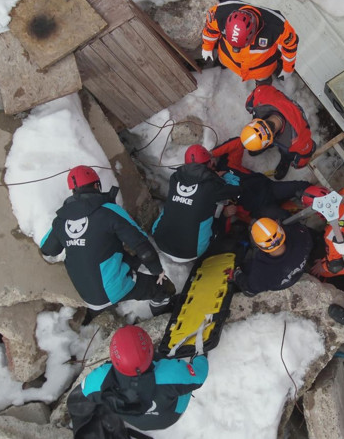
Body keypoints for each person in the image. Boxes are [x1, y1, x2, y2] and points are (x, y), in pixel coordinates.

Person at [40, 166, 172, 315]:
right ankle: (163, 316)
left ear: (73, 191)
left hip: (85, 292)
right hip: (111, 288)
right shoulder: (108, 211)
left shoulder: (61, 220)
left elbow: (47, 250)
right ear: (97, 185)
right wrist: (157, 270)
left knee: (116, 255)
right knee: (163, 288)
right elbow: (140, 243)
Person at [67, 325, 208, 437]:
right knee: (182, 382)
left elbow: (81, 395)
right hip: (170, 415)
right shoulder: (168, 373)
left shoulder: (101, 378)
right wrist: (200, 357)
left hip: (136, 421)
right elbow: (199, 376)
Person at [152, 151, 241, 262]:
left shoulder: (175, 178)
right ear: (209, 164)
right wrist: (224, 175)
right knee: (218, 216)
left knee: (180, 209)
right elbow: (236, 188)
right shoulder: (213, 186)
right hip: (190, 251)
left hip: (159, 239)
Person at [188, 142, 310, 220]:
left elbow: (237, 143)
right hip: (258, 208)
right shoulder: (208, 191)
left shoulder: (226, 165)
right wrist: (225, 213)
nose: (210, 164)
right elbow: (212, 216)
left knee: (303, 187)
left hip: (269, 189)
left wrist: (212, 153)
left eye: (208, 161)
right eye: (205, 164)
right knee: (285, 219)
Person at [201, 0, 298, 83]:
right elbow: (210, 30)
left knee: (263, 79)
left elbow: (291, 46)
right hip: (227, 59)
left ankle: (262, 83)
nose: (236, 49)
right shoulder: (219, 13)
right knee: (223, 62)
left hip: (261, 70)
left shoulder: (278, 27)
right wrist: (207, 47)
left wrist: (288, 68)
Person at [241, 84, 315, 180]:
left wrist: (298, 162)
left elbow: (307, 150)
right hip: (281, 105)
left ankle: (286, 160)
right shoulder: (261, 98)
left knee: (288, 152)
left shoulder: (296, 138)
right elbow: (259, 90)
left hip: (294, 121)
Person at [232, 217, 313, 296]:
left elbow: (250, 290)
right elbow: (297, 227)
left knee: (245, 267)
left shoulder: (260, 271)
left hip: (278, 283)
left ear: (258, 246)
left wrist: (237, 274)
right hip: (296, 273)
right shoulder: (301, 236)